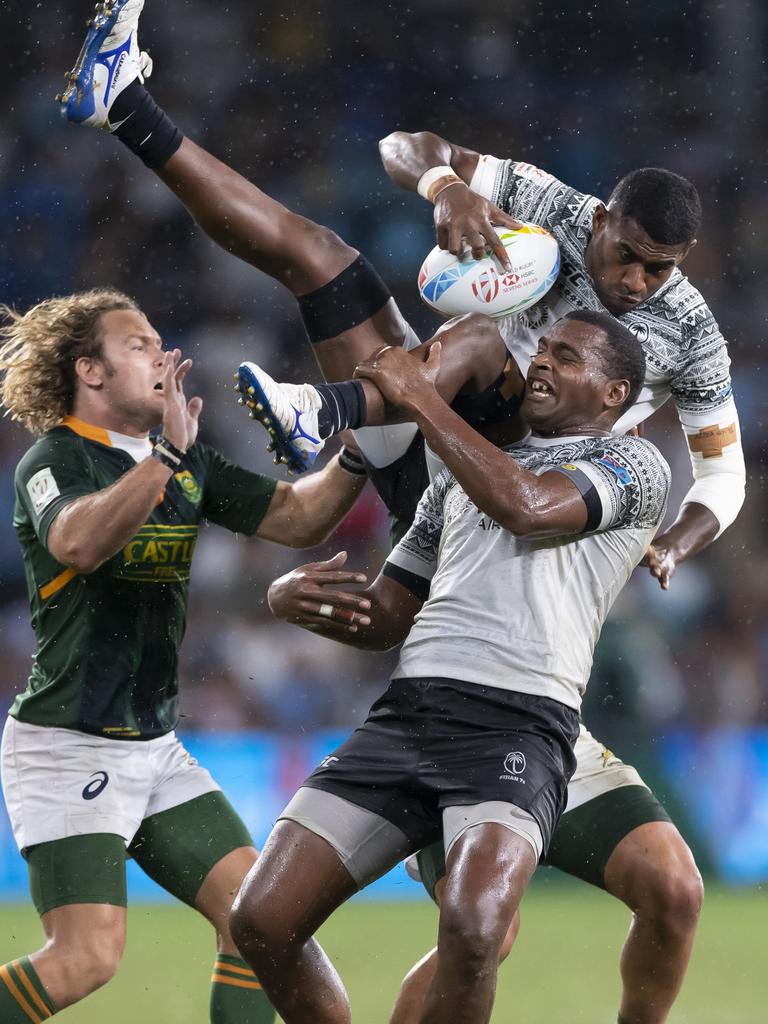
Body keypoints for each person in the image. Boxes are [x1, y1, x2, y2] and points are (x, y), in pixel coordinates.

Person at [57, 5, 703, 1021]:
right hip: (447, 502)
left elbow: (708, 479)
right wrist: (446, 183)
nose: (630, 277)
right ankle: (131, 110)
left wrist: (681, 538)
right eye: (623, 253)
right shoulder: (551, 224)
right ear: (604, 224)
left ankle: (342, 408)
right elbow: (407, 149)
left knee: (626, 895)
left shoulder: (672, 354)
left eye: (653, 271)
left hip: (507, 591)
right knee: (329, 261)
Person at [227, 311, 672, 1024]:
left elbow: (530, 507)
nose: (544, 363)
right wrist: (295, 599)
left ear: (615, 393)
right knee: (260, 918)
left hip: (517, 725)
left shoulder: (633, 465)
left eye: (568, 355)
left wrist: (420, 400)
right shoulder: (455, 480)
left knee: (474, 927)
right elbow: (388, 616)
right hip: (408, 715)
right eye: (543, 350)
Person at [0, 287, 368, 1024]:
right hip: (69, 746)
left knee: (262, 926)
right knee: (85, 960)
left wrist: (368, 449)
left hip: (156, 748)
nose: (164, 356)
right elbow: (78, 541)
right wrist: (167, 453)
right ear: (90, 372)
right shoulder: (54, 460)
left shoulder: (184, 463)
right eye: (138, 344)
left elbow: (298, 517)